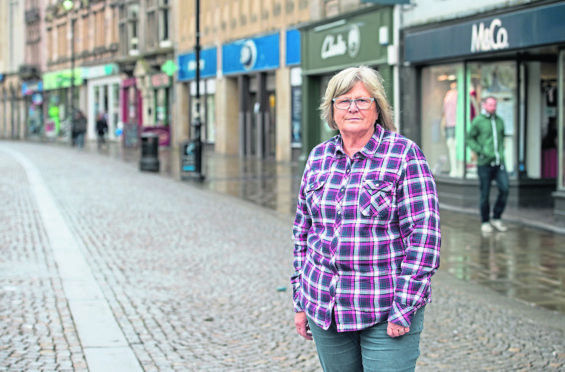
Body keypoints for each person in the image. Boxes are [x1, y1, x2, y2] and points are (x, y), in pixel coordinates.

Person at [291, 66, 441, 372]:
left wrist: (404, 307)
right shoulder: (318, 157)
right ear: (332, 111)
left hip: (384, 310)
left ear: (377, 109)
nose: (353, 108)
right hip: (325, 309)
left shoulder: (404, 155)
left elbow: (425, 237)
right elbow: (302, 233)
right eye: (343, 101)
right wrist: (301, 300)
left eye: (362, 100)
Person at [467, 96, 509, 233]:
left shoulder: (500, 121)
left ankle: (496, 218)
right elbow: (470, 138)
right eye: (491, 105)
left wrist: (501, 154)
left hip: (499, 163)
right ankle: (485, 221)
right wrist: (481, 152)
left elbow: (502, 139)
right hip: (484, 164)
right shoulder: (478, 121)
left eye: (495, 105)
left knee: (505, 189)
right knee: (485, 194)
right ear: (484, 105)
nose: (493, 107)